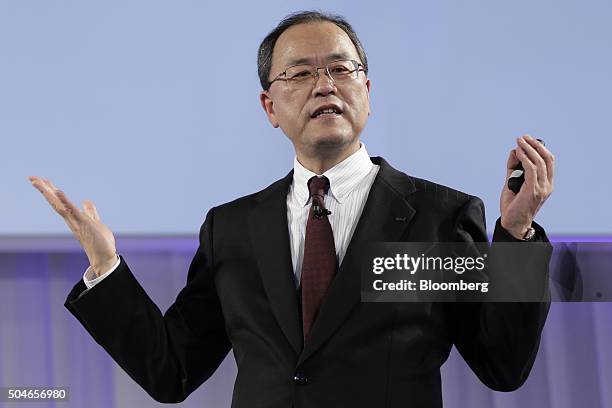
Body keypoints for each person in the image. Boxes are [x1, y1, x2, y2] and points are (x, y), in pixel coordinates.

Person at [29, 10, 555, 408]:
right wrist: (105, 268)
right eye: (300, 73)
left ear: (366, 93)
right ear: (269, 107)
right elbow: (172, 371)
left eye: (340, 69)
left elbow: (502, 365)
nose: (324, 84)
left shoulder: (438, 215)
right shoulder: (231, 229)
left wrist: (517, 231)